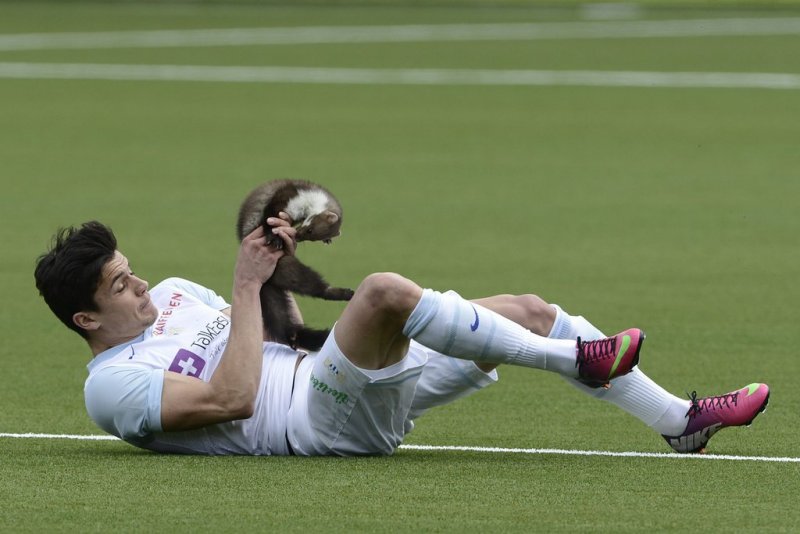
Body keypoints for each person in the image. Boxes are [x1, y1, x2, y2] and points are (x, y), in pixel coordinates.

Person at [34, 217, 769, 456]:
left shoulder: (171, 296)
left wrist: (284, 257)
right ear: (86, 321)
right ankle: (577, 360)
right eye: (120, 286)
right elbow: (232, 395)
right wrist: (247, 286)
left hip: (329, 372)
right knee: (384, 293)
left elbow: (266, 330)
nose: (141, 286)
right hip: (315, 424)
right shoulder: (111, 388)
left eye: (131, 271)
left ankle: (683, 423)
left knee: (530, 308)